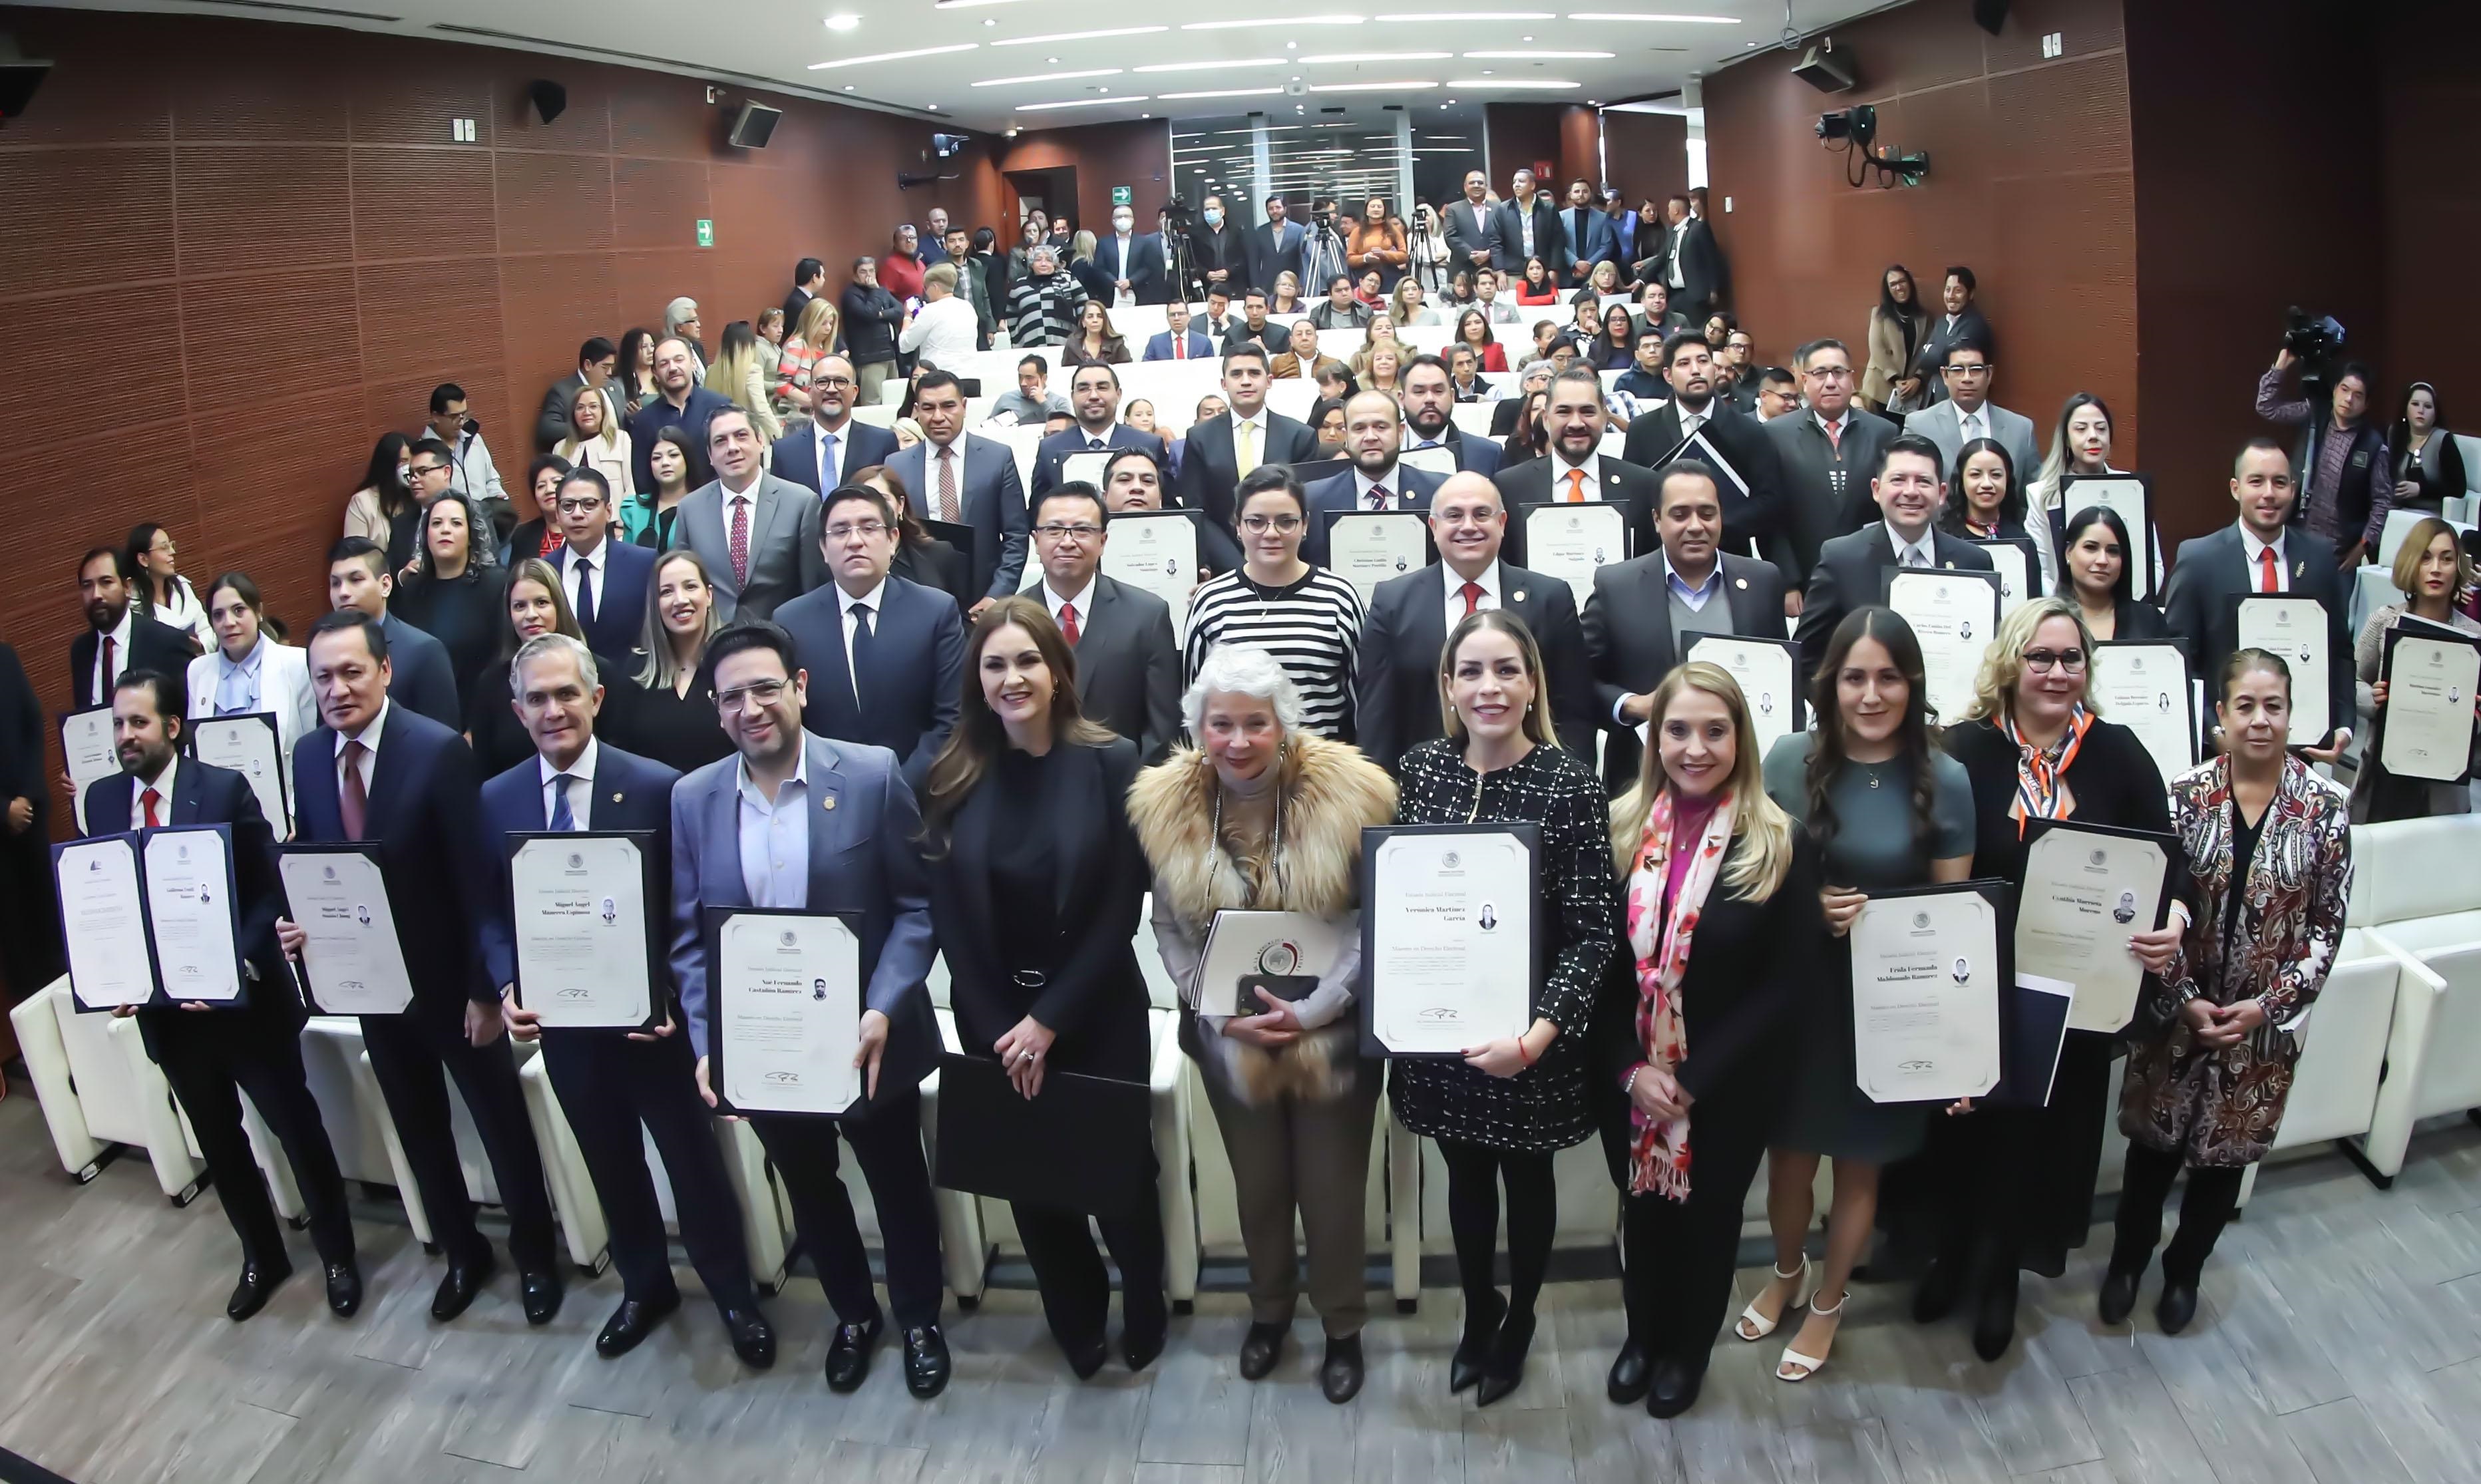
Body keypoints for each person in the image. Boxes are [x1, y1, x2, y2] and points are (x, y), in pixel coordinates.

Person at [670, 622, 952, 1399]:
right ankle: (854, 1315)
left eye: (765, 688)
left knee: (895, 1181)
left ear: (799, 686)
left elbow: (915, 907)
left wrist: (883, 1006)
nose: (750, 707)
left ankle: (920, 1317)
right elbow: (690, 943)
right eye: (731, 697)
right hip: (764, 1046)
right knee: (810, 1186)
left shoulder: (867, 774)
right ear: (715, 709)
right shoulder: (692, 798)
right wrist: (707, 1042)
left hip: (865, 1034)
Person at [475, 633, 774, 1366]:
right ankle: (646, 1285)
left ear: (596, 699)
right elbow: (488, 911)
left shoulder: (656, 786)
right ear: (518, 711)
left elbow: (693, 903)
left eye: (566, 694)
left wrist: (673, 992)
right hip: (567, 1029)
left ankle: (732, 1292)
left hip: (655, 1027)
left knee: (691, 1163)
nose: (553, 711)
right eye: (537, 699)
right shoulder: (496, 797)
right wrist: (508, 980)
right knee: (609, 1161)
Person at [1901, 597, 2178, 1360]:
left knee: (2034, 1142)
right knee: (1958, 1131)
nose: (2056, 673)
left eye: (2070, 659)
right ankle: (1947, 1257)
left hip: (2071, 1002)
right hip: (1972, 985)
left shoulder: (2117, 753)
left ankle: (1998, 1277)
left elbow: (2167, 860)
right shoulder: (1961, 750)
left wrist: (2172, 920)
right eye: (2040, 657)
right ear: (2009, 664)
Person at [280, 608, 563, 1326]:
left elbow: (477, 881)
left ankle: (536, 1257)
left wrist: (483, 991)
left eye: (351, 671)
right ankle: (464, 1252)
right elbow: (321, 860)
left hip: (450, 988)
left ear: (384, 671)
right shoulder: (310, 756)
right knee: (418, 1126)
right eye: (324, 677)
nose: (338, 689)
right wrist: (299, 921)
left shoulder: (435, 750)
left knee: (499, 1124)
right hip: (370, 985)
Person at [1140, 639, 1399, 1401]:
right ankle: (1269, 1312)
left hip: (1335, 1035)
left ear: (1284, 723)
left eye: (1255, 723)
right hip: (1230, 1038)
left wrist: (1319, 1007)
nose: (1238, 741)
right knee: (1256, 1186)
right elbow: (1167, 926)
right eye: (1221, 723)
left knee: (1331, 1189)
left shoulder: (1352, 793)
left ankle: (1342, 1326)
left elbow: (1372, 918)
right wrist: (1217, 1012)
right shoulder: (1167, 802)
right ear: (1199, 727)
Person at [916, 600, 1163, 1375]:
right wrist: (1002, 1027)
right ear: (977, 680)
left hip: (1093, 1004)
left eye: (1026, 661)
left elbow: (1122, 907)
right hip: (992, 1012)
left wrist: (1048, 1021)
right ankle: (1074, 1311)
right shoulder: (949, 772)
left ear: (1057, 672)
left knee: (1118, 1172)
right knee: (1034, 1179)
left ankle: (1145, 1299)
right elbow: (949, 921)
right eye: (994, 665)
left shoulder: (1114, 761)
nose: (1011, 677)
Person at [1390, 610, 1618, 1405]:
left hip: (1531, 1041)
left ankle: (1517, 1316)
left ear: (1531, 685)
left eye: (1506, 670)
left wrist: (1536, 1037)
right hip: (1438, 1040)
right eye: (1471, 672)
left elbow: (1594, 935)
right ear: (1447, 687)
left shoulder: (1570, 784)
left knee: (1525, 1182)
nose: (1489, 687)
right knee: (1462, 1177)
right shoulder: (1418, 770)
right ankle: (1475, 1313)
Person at [1740, 609, 1972, 1384]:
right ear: (1828, 684)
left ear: (1911, 684)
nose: (1870, 695)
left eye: (1887, 677)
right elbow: (1749, 892)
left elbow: (1955, 922)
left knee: (1859, 1169)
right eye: (1853, 677)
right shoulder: (1781, 761)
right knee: (1787, 1168)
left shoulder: (1946, 778)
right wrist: (1806, 908)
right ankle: (1784, 1271)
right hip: (1799, 1004)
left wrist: (1957, 1051)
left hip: (1892, 1012)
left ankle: (1828, 1300)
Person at [89, 669, 359, 1319]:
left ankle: (338, 1254)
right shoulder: (102, 800)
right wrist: (117, 971)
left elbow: (270, 889)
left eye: (138, 723)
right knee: (219, 1141)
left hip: (244, 1009)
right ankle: (262, 1254)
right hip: (172, 1023)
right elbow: (108, 903)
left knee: (295, 1129)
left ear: (173, 727)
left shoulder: (223, 789)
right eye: (118, 725)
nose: (126, 736)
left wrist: (232, 959)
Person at [1591, 659, 1817, 1415]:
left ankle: (1686, 1353)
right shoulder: (1618, 829)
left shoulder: (1780, 841)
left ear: (1740, 740)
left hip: (1726, 1083)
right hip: (1629, 1078)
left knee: (1708, 1219)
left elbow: (1787, 985)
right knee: (1642, 1212)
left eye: (1713, 731)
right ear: (1653, 740)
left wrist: (1693, 1077)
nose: (1694, 747)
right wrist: (1629, 1069)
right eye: (1676, 730)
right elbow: (1600, 965)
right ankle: (1640, 1338)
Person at [2105, 648, 2351, 1336]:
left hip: (2258, 1033)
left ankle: (2183, 1269)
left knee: (2221, 1165)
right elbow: (2153, 908)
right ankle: (2126, 1262)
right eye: (2244, 705)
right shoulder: (2184, 796)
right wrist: (2182, 993)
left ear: (2289, 712)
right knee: (2149, 1154)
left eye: (2272, 706)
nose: (2259, 720)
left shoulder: (2324, 810)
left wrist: (2263, 1008)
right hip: (2172, 1017)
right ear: (2219, 714)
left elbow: (2326, 928)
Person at [1354, 471, 1593, 773]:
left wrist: (1571, 786)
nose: (1468, 526)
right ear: (1434, 526)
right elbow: (1378, 718)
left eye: (1481, 514)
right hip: (1426, 790)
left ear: (1502, 523)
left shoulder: (1550, 598)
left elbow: (1574, 711)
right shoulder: (1392, 602)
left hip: (1532, 788)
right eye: (1454, 515)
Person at [1583, 461, 1791, 793]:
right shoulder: (1616, 586)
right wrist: (1630, 704)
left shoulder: (1762, 581)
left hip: (1741, 780)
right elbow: (1578, 679)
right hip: (1643, 782)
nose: (1696, 526)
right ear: (1656, 520)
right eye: (1680, 515)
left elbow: (1781, 675)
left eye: (1707, 513)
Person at [2158, 439, 2356, 760]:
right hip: (2224, 752)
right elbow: (2180, 659)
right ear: (2236, 488)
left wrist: (2344, 727)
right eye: (2256, 481)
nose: (2269, 493)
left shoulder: (2319, 559)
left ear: (2292, 490)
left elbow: (2341, 651)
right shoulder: (2199, 560)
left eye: (2279, 482)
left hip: (2301, 747)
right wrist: (2214, 730)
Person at [774, 481, 964, 792]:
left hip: (920, 796)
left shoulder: (935, 611)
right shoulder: (790, 621)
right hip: (826, 795)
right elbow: (793, 723)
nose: (855, 541)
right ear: (823, 547)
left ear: (892, 539)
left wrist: (897, 786)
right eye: (840, 531)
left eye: (868, 528)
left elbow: (951, 718)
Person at [1185, 466, 1368, 741]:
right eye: (1256, 522)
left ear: (1304, 524)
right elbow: (1194, 711)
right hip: (1233, 772)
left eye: (1286, 521)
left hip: (1319, 776)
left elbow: (1363, 704)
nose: (1271, 533)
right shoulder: (1210, 601)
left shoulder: (1339, 597)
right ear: (1238, 525)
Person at [1794, 435, 1995, 684]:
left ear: (1942, 493)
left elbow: (1989, 654)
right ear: (1877, 490)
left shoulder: (1974, 562)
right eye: (1898, 480)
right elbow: (1806, 657)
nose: (1910, 492)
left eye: (1923, 481)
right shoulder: (1841, 559)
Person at [1022, 483, 1180, 761]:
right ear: (1036, 540)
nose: (1067, 541)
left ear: (1103, 541)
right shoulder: (1011, 620)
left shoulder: (1147, 616)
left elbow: (1161, 729)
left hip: (1121, 790)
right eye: (1054, 530)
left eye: (1083, 530)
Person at [2353, 516, 2481, 821]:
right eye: (2426, 557)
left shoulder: (2475, 636)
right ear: (2412, 563)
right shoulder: (2383, 622)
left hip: (2446, 784)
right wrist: (2371, 697)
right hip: (2384, 777)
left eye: (2447, 559)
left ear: (2458, 567)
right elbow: (2351, 681)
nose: (2436, 568)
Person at [666, 407, 829, 624]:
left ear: (760, 442)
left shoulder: (801, 502)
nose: (732, 448)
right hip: (713, 641)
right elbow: (683, 582)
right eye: (720, 441)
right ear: (710, 456)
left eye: (741, 436)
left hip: (779, 640)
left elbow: (812, 590)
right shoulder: (690, 508)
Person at [888, 371, 1032, 610]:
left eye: (948, 406)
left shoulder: (997, 458)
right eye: (928, 408)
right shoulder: (896, 465)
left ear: (964, 406)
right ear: (916, 410)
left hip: (983, 599)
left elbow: (1016, 537)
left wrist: (997, 595)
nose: (938, 416)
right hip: (916, 602)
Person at [1495, 367, 1662, 562]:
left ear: (1604, 418)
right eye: (1564, 412)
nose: (1576, 423)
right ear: (1547, 420)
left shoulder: (1643, 484)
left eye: (1587, 411)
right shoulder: (1510, 486)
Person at [1767, 339, 1897, 583]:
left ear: (1852, 378)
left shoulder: (1884, 433)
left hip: (1870, 572)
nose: (1830, 382)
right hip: (1804, 575)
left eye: (1839, 372)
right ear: (1804, 381)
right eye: (1820, 373)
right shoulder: (1776, 435)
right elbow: (1771, 518)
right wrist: (1788, 583)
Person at [189, 572, 317, 815]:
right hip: (222, 809)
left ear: (258, 612)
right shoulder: (198, 672)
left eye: (238, 610)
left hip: (287, 808)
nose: (228, 622)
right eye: (218, 615)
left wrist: (296, 813)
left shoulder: (297, 663)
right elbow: (193, 752)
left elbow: (312, 748)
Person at [2255, 348, 2398, 556]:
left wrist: (2363, 547)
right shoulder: (2315, 415)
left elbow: (2382, 502)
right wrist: (2281, 365)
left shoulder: (2373, 445)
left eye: (2358, 395)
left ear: (2366, 404)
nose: (2349, 399)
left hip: (2339, 549)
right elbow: (2266, 407)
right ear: (2334, 391)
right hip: (2295, 534)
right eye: (2344, 389)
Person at [1177, 345, 1321, 536]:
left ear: (1269, 381)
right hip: (1221, 558)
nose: (1246, 381)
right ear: (1224, 383)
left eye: (1254, 373)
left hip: (1283, 549)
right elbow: (1196, 510)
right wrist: (1233, 563)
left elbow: (1305, 507)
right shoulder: (1200, 437)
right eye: (1236, 374)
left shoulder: (1300, 436)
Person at [612, 550, 729, 775]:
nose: (680, 600)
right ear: (656, 604)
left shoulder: (735, 664)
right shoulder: (636, 670)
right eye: (667, 591)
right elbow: (622, 752)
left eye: (690, 587)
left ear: (709, 595)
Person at [1299, 389, 1447, 565]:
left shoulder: (1440, 493)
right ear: (1346, 436)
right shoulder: (1313, 499)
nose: (1370, 437)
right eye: (1359, 428)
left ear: (1400, 432)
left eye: (1381, 427)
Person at [325, 538, 459, 727]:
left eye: (356, 580)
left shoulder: (424, 651)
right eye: (335, 584)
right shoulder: (326, 653)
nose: (343, 592)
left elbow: (445, 738)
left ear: (386, 585)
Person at [2023, 392, 2136, 597]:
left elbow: (2152, 563)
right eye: (2081, 429)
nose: (2093, 436)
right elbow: (2041, 569)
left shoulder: (2132, 488)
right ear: (2066, 438)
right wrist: (2063, 609)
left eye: (2101, 429)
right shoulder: (2042, 494)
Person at [389, 492, 504, 690]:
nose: (445, 530)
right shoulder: (413, 588)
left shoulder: (496, 584)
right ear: (426, 535)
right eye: (436, 524)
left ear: (471, 536)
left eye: (456, 523)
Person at [1902, 340, 2040, 502]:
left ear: (1989, 374)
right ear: (1945, 376)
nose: (1967, 378)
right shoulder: (1919, 426)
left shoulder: (2021, 429)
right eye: (1958, 370)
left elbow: (2033, 495)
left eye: (1975, 370)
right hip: (1942, 525)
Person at [541, 467, 654, 661]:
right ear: (558, 515)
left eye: (589, 504)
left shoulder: (644, 563)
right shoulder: (545, 570)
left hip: (632, 683)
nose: (577, 514)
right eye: (568, 506)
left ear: (608, 511)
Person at [72, 545, 196, 711]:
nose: (96, 595)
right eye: (87, 586)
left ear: (127, 587)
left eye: (106, 582)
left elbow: (189, 714)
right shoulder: (81, 652)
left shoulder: (167, 642)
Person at [769, 353, 898, 495]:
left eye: (841, 381)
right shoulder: (785, 451)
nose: (831, 389)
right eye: (823, 382)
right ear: (810, 392)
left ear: (855, 392)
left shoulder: (882, 443)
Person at [1034, 363, 1169, 497]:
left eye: (1102, 387)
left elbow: (1168, 505)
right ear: (1072, 396)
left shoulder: (1150, 444)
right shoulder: (1050, 448)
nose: (1093, 396)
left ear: (1118, 394)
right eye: (1083, 389)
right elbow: (1037, 508)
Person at [626, 337, 738, 497]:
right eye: (664, 364)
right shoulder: (644, 420)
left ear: (693, 363)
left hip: (718, 502)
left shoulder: (720, 407)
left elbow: (731, 458)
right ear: (656, 374)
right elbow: (643, 480)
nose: (672, 368)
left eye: (679, 360)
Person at [2058, 505, 2169, 644]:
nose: (2102, 561)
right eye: (2091, 548)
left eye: (2113, 551)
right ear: (2068, 552)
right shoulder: (2043, 618)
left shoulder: (2149, 620)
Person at [1910, 266, 1994, 405]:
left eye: (1958, 291)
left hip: (1959, 404)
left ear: (1971, 294)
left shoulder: (1975, 326)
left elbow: (1952, 358)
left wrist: (1932, 350)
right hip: (1933, 400)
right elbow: (1922, 359)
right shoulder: (1942, 322)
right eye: (1948, 290)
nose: (1951, 296)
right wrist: (1938, 352)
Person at [126, 522, 214, 651]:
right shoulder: (132, 603)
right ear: (144, 559)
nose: (172, 552)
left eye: (171, 545)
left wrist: (201, 645)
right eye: (164, 548)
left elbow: (206, 629)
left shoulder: (181, 586)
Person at [2388, 381, 2467, 517]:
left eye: (2428, 406)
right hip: (2395, 510)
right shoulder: (2393, 434)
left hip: (2430, 516)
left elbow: (2458, 489)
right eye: (2415, 404)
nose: (2421, 411)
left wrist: (2421, 489)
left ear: (2435, 414)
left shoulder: (2443, 440)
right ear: (2405, 409)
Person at [427, 382, 508, 511]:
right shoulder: (425, 453)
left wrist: (497, 500)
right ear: (436, 416)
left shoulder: (474, 439)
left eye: (463, 415)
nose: (461, 422)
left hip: (486, 519)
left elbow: (491, 479)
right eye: (454, 417)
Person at [1937, 436, 2032, 545]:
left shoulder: (2023, 540)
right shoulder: (1943, 541)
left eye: (1996, 475)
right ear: (1961, 481)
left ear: (2008, 480)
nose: (1987, 484)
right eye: (1975, 475)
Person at [1862, 266, 1929, 415]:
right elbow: (1877, 348)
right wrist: (1895, 379)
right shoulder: (1879, 315)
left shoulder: (1923, 317)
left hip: (1909, 393)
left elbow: (1928, 351)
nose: (1899, 287)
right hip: (1880, 388)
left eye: (1902, 282)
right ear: (1888, 290)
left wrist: (1918, 378)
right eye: (1893, 284)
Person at [536, 336, 622, 454]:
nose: (610, 373)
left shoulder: (614, 387)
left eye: (611, 368)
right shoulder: (562, 392)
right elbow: (548, 430)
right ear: (588, 365)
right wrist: (585, 427)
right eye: (605, 367)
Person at [622, 427, 702, 551]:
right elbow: (627, 557)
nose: (665, 463)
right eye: (657, 458)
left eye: (673, 455)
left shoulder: (706, 505)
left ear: (687, 459)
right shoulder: (634, 508)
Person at [701, 319, 781, 443]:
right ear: (748, 346)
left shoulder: (711, 371)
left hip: (719, 436)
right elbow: (761, 410)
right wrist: (779, 436)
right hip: (746, 436)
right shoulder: (752, 370)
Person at [553, 380, 634, 502]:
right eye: (580, 407)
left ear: (603, 411)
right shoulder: (560, 448)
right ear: (573, 414)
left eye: (593, 406)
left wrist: (626, 518)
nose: (587, 412)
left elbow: (631, 486)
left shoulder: (621, 439)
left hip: (615, 519)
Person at [842, 256, 907, 407]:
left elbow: (899, 311)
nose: (869, 275)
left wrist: (880, 315)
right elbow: (868, 312)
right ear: (855, 275)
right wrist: (875, 292)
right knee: (873, 403)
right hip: (870, 357)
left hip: (890, 354)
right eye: (863, 272)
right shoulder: (852, 294)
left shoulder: (881, 291)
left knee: (895, 401)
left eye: (871, 271)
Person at [775, 297, 847, 416]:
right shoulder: (796, 345)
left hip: (821, 415)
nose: (828, 328)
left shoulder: (826, 349)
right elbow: (782, 384)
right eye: (823, 323)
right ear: (812, 322)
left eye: (831, 323)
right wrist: (812, 400)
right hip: (795, 416)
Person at [344, 432, 416, 549]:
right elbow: (354, 553)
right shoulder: (362, 502)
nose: (408, 468)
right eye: (403, 461)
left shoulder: (418, 494)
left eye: (412, 461)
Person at [1491, 170, 1564, 278]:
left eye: (1521, 181)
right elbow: (1496, 242)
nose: (1517, 185)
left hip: (1542, 269)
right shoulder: (1503, 209)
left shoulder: (1548, 208)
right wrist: (1499, 270)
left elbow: (1557, 241)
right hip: (1513, 271)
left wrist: (1554, 269)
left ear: (1532, 185)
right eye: (1514, 182)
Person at [1248, 195, 1308, 299]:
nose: (1274, 211)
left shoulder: (1299, 230)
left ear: (1284, 209)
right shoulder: (1259, 232)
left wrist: (1301, 284)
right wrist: (1255, 287)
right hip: (1267, 287)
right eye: (1270, 209)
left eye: (1278, 207)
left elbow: (1302, 261)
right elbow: (1254, 262)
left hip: (1291, 285)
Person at [1144, 299, 1215, 362]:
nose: (1176, 318)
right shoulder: (1155, 342)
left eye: (1181, 314)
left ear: (1189, 317)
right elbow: (1146, 369)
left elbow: (1210, 369)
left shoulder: (1204, 342)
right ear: (1167, 319)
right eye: (1172, 315)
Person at [614, 327, 662, 414]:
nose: (651, 351)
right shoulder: (620, 384)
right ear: (631, 351)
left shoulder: (662, 374)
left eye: (652, 345)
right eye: (644, 347)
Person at [783, 256, 827, 335]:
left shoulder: (815, 298)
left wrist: (842, 347)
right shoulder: (796, 304)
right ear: (815, 278)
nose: (824, 280)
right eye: (823, 275)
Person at [664, 297, 709, 371]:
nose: (698, 325)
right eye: (693, 321)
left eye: (697, 320)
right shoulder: (669, 355)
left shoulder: (697, 347)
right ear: (679, 327)